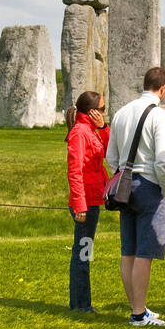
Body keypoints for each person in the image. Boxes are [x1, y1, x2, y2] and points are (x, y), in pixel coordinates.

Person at [106, 66, 165, 328]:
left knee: (128, 251)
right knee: (144, 253)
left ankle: (138, 308)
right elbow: (164, 159)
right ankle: (138, 314)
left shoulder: (121, 113)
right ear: (163, 88)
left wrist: (120, 174)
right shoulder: (160, 116)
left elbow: (111, 156)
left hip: (124, 184)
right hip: (149, 184)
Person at [65, 90, 110, 313]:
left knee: (85, 251)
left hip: (93, 200)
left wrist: (103, 127)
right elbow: (75, 171)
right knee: (82, 252)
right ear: (92, 111)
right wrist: (80, 205)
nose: (104, 112)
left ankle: (81, 302)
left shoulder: (91, 131)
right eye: (102, 109)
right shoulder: (80, 133)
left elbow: (110, 153)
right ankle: (81, 304)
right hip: (86, 204)